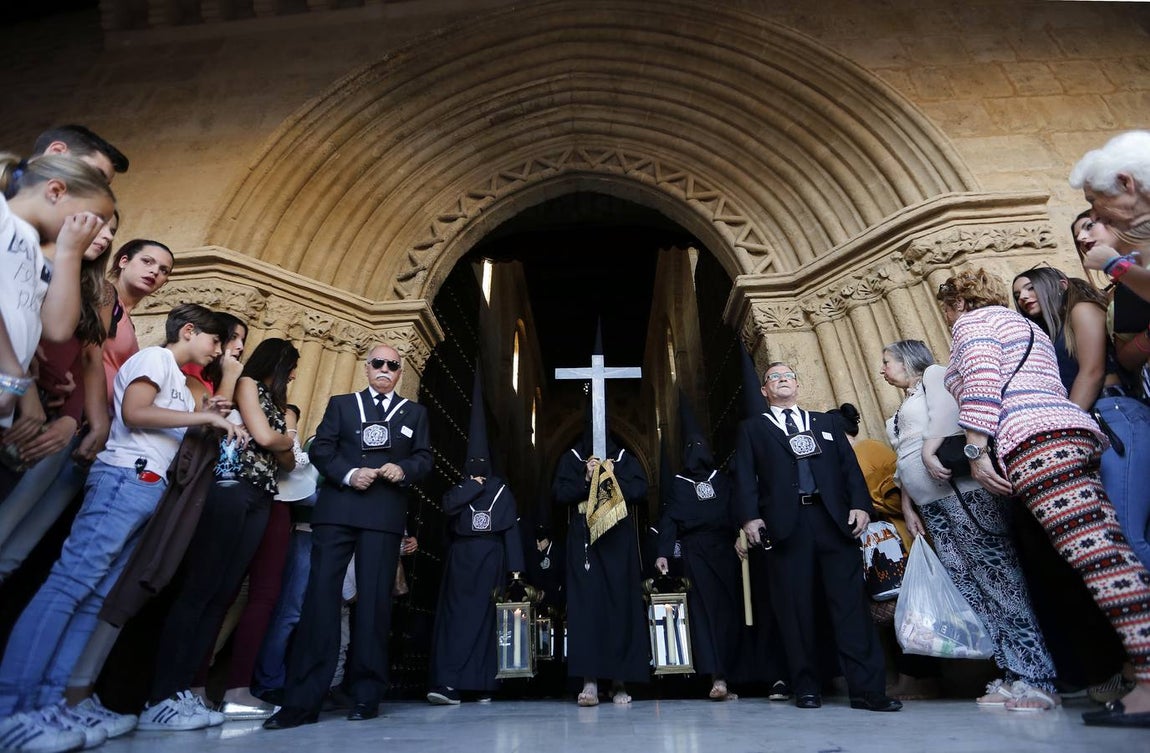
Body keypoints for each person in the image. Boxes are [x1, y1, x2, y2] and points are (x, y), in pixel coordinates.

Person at [0, 304, 240, 753]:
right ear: (189, 330)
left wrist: (206, 410)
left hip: (144, 486)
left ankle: (51, 705)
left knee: (94, 598)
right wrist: (203, 417)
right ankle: (12, 709)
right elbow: (136, 413)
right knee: (68, 587)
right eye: (214, 341)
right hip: (124, 478)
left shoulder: (175, 373)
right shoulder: (155, 359)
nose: (215, 353)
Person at [937, 267, 1150, 727]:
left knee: (1102, 562)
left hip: (1036, 446)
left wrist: (976, 451)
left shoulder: (974, 324)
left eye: (947, 309)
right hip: (1069, 435)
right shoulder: (1025, 326)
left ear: (957, 304)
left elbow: (981, 384)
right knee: (1109, 553)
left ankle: (1148, 684)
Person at [880, 340, 1058, 709]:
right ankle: (1011, 673)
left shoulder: (934, 375)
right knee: (970, 585)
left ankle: (1037, 675)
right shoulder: (903, 402)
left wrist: (930, 449)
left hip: (963, 494)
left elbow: (950, 415)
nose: (882, 369)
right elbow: (903, 459)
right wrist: (909, 505)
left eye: (887, 362)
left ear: (907, 359)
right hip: (931, 505)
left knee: (998, 578)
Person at [265, 343, 432, 729]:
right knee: (321, 600)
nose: (385, 369)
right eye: (378, 363)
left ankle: (366, 695)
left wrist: (403, 468)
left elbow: (425, 457)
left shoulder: (414, 413)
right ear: (366, 367)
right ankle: (303, 701)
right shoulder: (342, 404)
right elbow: (322, 447)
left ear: (400, 373)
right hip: (339, 510)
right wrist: (348, 473)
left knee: (375, 605)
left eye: (393, 365)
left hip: (384, 515)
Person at [143, 338, 299, 730]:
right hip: (233, 488)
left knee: (220, 594)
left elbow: (290, 458)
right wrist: (282, 443)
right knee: (201, 589)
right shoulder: (248, 384)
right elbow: (271, 442)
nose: (295, 375)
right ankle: (162, 695)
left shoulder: (275, 402)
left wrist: (281, 444)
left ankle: (185, 695)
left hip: (261, 496)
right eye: (292, 367)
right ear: (278, 364)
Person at [733, 362, 901, 713]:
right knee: (796, 607)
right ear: (765, 391)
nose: (782, 380)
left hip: (832, 522)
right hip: (785, 526)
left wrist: (859, 506)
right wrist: (750, 517)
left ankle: (868, 689)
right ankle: (806, 686)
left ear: (798, 384)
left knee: (851, 605)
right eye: (774, 377)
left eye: (788, 376)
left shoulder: (824, 423)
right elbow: (745, 476)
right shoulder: (753, 429)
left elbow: (848, 468)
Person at [0, 210, 118, 581]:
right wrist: (29, 389)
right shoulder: (34, 257)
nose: (104, 237)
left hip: (57, 416)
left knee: (13, 543)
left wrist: (75, 416)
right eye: (100, 226)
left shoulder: (101, 291)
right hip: (17, 398)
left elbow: (90, 356)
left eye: (112, 232)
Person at [831, 402, 942, 701]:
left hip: (895, 542)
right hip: (878, 549)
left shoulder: (868, 449)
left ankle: (919, 680)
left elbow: (896, 489)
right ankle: (908, 679)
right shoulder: (846, 457)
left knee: (911, 612)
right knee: (892, 614)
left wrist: (866, 504)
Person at [426, 369, 525, 704]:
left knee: (487, 620)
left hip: (490, 559)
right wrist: (472, 486)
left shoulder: (502, 491)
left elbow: (510, 528)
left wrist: (516, 573)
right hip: (462, 560)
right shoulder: (462, 487)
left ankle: (484, 683)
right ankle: (449, 683)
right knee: (457, 619)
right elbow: (448, 508)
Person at [0, 154, 112, 432]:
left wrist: (70, 253)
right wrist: (13, 369)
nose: (95, 232)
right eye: (92, 219)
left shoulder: (38, 254)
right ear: (55, 191)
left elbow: (57, 329)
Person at [552, 392, 649, 706]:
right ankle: (590, 680)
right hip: (583, 539)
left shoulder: (624, 460)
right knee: (586, 608)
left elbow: (640, 490)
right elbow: (559, 493)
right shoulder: (570, 459)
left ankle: (620, 681)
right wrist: (585, 477)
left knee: (620, 603)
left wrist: (611, 474)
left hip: (617, 537)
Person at [653, 394, 742, 701]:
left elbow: (735, 510)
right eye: (692, 449)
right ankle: (714, 676)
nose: (697, 453)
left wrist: (742, 533)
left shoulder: (722, 480)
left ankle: (735, 674)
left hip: (726, 550)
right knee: (703, 613)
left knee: (731, 611)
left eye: (700, 446)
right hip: (695, 553)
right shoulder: (679, 483)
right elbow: (669, 520)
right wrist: (663, 552)